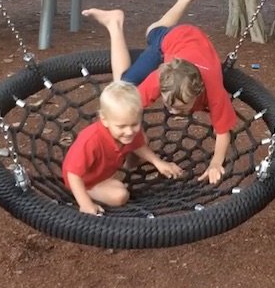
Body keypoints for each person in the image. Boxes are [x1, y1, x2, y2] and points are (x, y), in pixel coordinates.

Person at [82, 0, 237, 185]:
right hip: (171, 40)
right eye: (168, 104)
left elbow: (223, 131)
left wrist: (216, 163)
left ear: (199, 92)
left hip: (192, 41)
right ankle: (115, 23)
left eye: (180, 108)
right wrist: (120, 135)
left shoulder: (213, 90)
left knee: (153, 29)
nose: (172, 112)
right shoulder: (160, 78)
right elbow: (125, 104)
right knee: (124, 82)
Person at [62, 80, 184, 215]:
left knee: (142, 140)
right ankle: (84, 193)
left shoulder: (128, 132)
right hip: (83, 181)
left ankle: (108, 182)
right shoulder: (90, 140)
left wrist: (158, 163)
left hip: (101, 173)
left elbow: (138, 145)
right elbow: (73, 174)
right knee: (120, 195)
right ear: (104, 120)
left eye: (135, 124)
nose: (129, 131)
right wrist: (85, 203)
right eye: (121, 126)